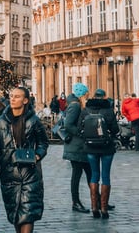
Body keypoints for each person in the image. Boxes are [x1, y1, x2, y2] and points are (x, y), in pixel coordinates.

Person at [0, 86, 47, 233]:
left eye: (17, 96)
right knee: (15, 214)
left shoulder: (34, 121)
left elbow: (43, 143)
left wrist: (37, 155)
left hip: (30, 173)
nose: (12, 99)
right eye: (11, 96)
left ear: (25, 100)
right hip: (9, 174)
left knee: (28, 214)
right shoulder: (1, 122)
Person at [82, 88, 120, 219]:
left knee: (94, 175)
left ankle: (94, 207)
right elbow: (115, 129)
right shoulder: (108, 110)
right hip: (106, 147)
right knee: (106, 176)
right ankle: (104, 208)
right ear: (104, 97)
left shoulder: (86, 110)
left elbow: (81, 128)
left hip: (90, 147)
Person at [61, 83, 92, 213]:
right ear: (82, 95)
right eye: (86, 94)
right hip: (76, 146)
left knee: (90, 174)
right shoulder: (75, 105)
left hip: (79, 146)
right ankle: (76, 202)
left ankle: (99, 200)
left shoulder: (75, 104)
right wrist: (81, 133)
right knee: (77, 175)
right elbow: (68, 124)